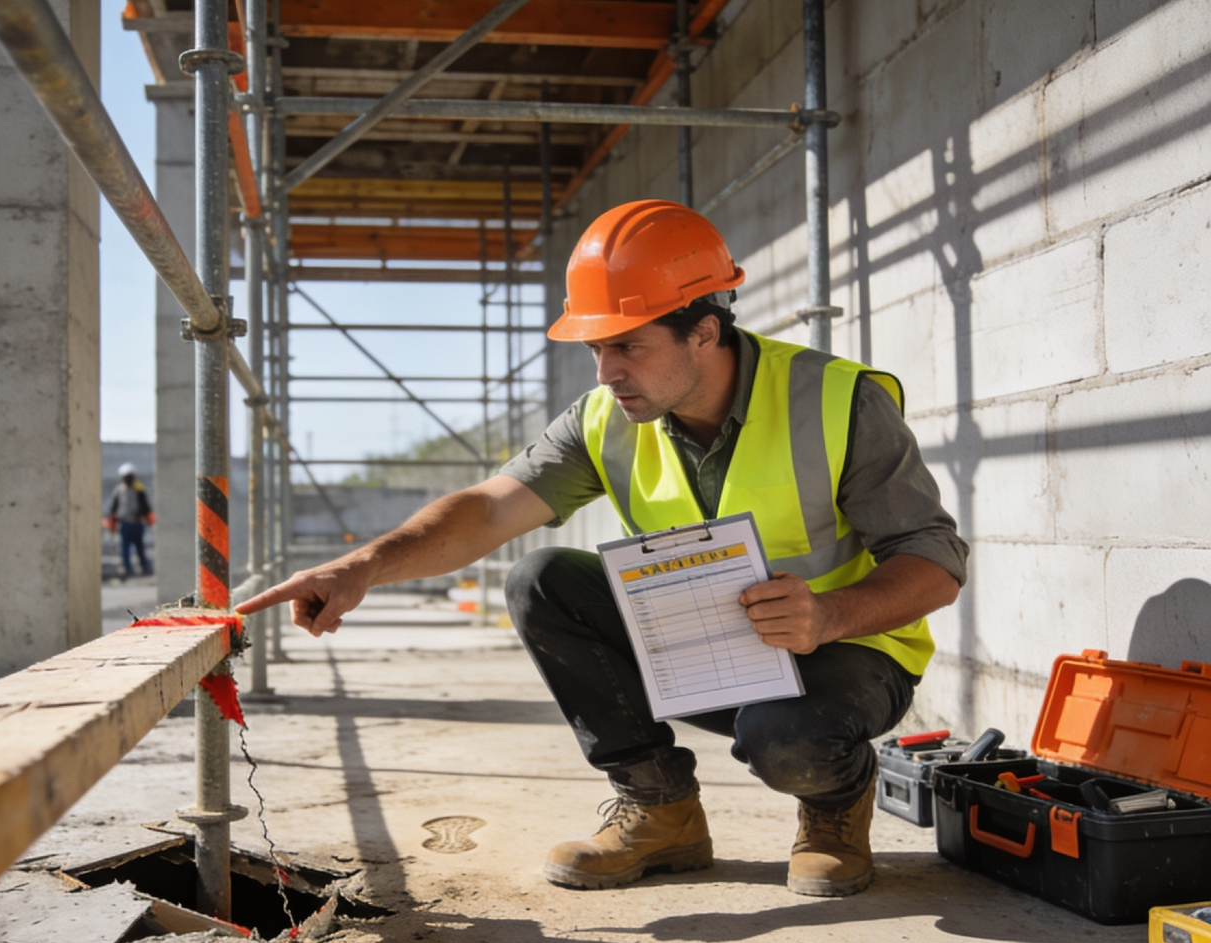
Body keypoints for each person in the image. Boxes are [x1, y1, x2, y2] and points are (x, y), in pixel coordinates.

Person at [236, 200, 968, 899]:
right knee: (542, 578)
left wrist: (828, 615)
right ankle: (659, 809)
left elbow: (936, 563)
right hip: (713, 652)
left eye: (627, 346)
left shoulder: (837, 401)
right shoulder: (606, 418)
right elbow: (489, 510)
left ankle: (836, 802)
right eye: (596, 348)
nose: (606, 371)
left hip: (846, 656)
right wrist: (363, 565)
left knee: (785, 735)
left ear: (704, 332)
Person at [106, 462, 155, 578]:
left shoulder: (139, 489)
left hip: (137, 524)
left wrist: (147, 519)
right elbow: (114, 507)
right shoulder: (118, 491)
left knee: (140, 548)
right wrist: (112, 522)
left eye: (130, 477)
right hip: (125, 524)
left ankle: (145, 569)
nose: (128, 479)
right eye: (126, 477)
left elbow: (146, 506)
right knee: (125, 550)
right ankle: (128, 570)